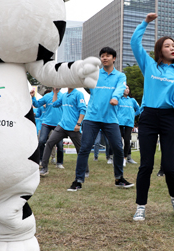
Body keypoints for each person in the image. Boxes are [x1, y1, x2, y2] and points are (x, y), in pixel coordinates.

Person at [130, 13, 174, 221]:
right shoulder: (149, 66)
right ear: (160, 49)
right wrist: (145, 23)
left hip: (171, 118)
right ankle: (140, 206)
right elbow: (134, 43)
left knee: (170, 165)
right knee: (146, 164)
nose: (173, 48)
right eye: (168, 45)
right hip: (149, 117)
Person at [68, 47, 133, 192]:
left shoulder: (120, 76)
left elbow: (120, 88)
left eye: (108, 56)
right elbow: (82, 80)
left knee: (118, 147)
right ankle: (78, 180)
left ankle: (119, 178)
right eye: (102, 56)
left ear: (114, 58)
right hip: (92, 117)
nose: (104, 58)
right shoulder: (95, 74)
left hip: (111, 119)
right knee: (84, 148)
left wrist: (115, 97)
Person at [36, 87, 86, 176]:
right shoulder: (64, 95)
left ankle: (85, 170)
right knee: (49, 143)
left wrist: (78, 124)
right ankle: (44, 168)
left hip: (73, 127)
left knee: (80, 149)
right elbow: (54, 104)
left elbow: (83, 109)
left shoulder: (78, 94)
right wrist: (55, 92)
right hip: (62, 126)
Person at [32, 87, 64, 172]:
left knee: (60, 145)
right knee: (42, 141)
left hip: (59, 124)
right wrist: (33, 97)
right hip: (46, 122)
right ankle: (40, 160)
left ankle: (59, 163)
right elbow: (37, 104)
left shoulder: (63, 96)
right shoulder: (47, 96)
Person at [118, 85, 140, 165]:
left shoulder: (132, 100)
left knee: (127, 140)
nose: (127, 90)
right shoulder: (119, 99)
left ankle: (125, 158)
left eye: (128, 88)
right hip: (119, 122)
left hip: (129, 123)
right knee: (118, 141)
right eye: (125, 88)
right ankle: (117, 158)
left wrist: (134, 114)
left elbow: (139, 109)